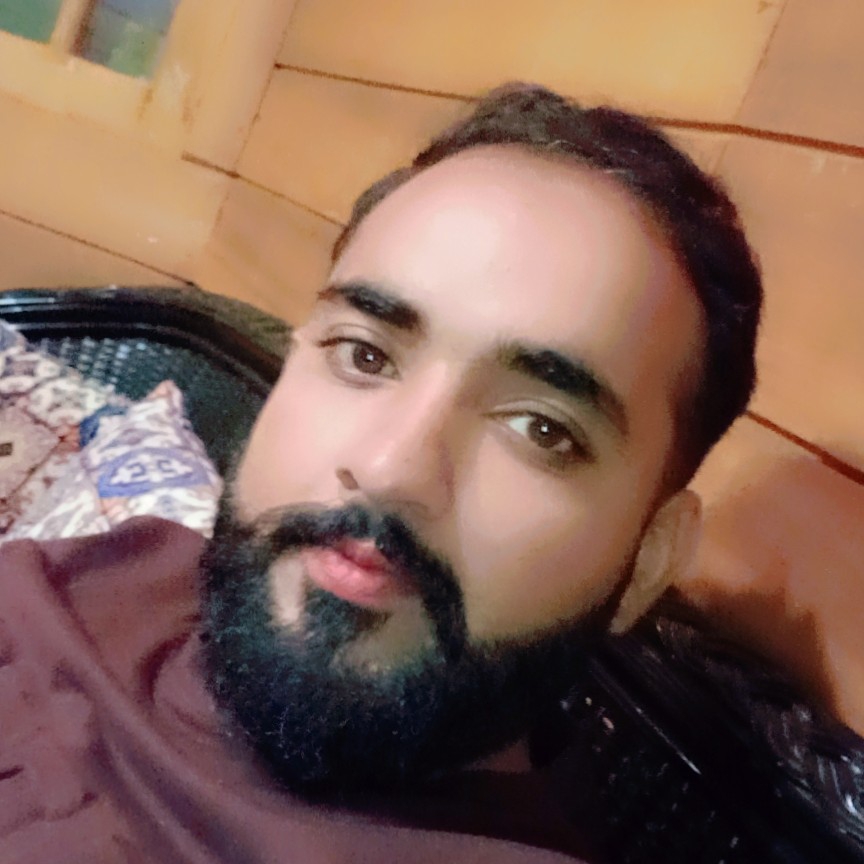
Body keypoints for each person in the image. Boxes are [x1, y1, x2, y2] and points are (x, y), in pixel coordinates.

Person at [0, 83, 761, 862]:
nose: (390, 468)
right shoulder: (120, 566)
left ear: (646, 562)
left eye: (542, 429)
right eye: (364, 355)